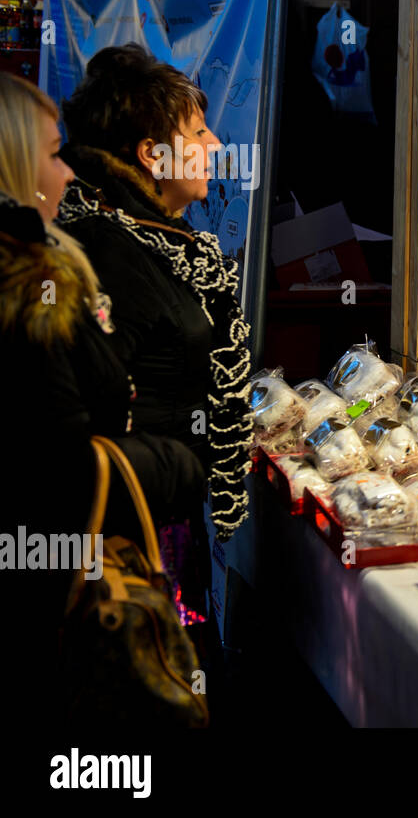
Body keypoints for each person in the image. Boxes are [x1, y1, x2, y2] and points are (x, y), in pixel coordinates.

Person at [0, 73, 206, 721]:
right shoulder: (31, 290)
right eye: (53, 155)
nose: (68, 174)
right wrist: (175, 464)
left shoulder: (52, 265)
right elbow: (58, 467)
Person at [56, 44, 253, 654]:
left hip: (165, 514)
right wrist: (181, 468)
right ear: (152, 154)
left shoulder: (156, 236)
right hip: (135, 533)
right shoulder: (108, 248)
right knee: (156, 682)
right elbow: (92, 414)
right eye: (197, 131)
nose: (217, 144)